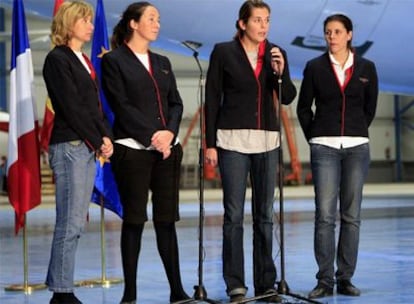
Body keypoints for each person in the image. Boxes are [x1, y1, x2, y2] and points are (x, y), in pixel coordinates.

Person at [205, 0, 297, 302]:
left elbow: (288, 97)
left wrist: (280, 72)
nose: (263, 26)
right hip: (231, 141)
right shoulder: (223, 52)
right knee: (233, 215)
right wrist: (209, 144)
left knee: (265, 216)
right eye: (257, 20)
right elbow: (212, 97)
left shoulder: (275, 53)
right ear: (243, 23)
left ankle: (266, 284)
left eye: (267, 20)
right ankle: (235, 284)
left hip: (268, 142)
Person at [100, 2, 190, 304]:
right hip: (133, 150)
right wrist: (152, 135)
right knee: (135, 220)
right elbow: (120, 105)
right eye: (151, 18)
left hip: (166, 152)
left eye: (159, 19)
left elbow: (176, 104)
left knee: (167, 221)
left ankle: (177, 291)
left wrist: (169, 134)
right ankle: (130, 294)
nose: (157, 24)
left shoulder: (163, 61)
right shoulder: (114, 61)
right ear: (133, 24)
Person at [296, 14, 378, 299]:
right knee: (325, 216)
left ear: (349, 35)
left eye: (337, 32)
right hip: (324, 147)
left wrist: (355, 131)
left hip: (357, 147)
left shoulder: (367, 67)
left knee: (351, 216)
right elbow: (303, 107)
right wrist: (316, 137)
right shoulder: (314, 67)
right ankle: (324, 280)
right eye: (328, 32)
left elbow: (370, 108)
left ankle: (345, 278)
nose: (332, 37)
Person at [42, 1, 113, 303]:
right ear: (69, 24)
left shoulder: (82, 59)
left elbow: (93, 107)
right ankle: (61, 293)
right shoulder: (58, 60)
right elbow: (70, 107)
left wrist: (106, 136)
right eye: (85, 21)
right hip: (71, 146)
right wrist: (97, 139)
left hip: (85, 146)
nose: (91, 26)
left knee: (74, 224)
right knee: (69, 223)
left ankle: (61, 287)